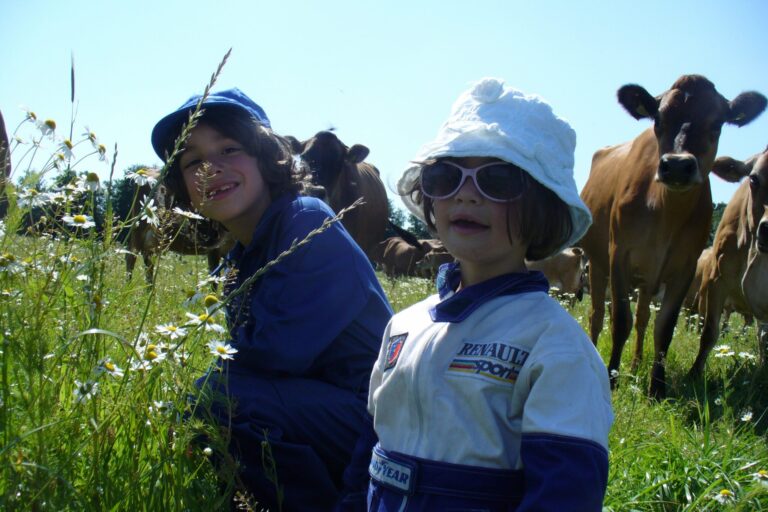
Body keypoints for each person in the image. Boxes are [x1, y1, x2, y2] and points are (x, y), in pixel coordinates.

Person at [363, 78, 614, 510]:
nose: (465, 193)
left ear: (544, 207)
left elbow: (563, 494)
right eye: (445, 176)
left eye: (497, 180)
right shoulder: (403, 325)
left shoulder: (555, 346)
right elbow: (366, 445)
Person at [151, 88, 393, 511]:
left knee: (220, 397)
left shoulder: (306, 220)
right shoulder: (240, 258)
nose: (212, 168)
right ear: (182, 185)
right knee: (212, 401)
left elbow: (274, 356)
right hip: (323, 414)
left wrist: (190, 398)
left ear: (267, 157)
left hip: (376, 424)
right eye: (192, 161)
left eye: (229, 148)